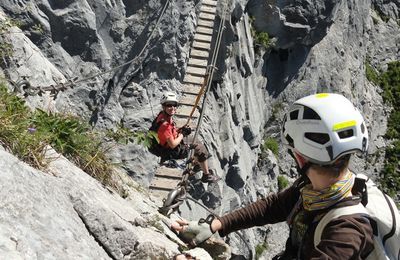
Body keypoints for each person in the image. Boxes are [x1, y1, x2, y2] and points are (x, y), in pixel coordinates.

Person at [171, 93, 375, 259]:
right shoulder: (311, 188)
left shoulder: (346, 233)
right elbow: (272, 207)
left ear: (300, 158)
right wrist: (217, 224)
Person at [156, 91, 219, 183]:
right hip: (171, 150)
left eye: (174, 105)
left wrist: (180, 130)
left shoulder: (163, 116)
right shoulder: (165, 125)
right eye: (169, 105)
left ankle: (199, 163)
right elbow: (173, 144)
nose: (172, 108)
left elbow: (169, 133)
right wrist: (182, 134)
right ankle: (206, 175)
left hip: (165, 145)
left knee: (195, 140)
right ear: (164, 106)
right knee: (200, 149)